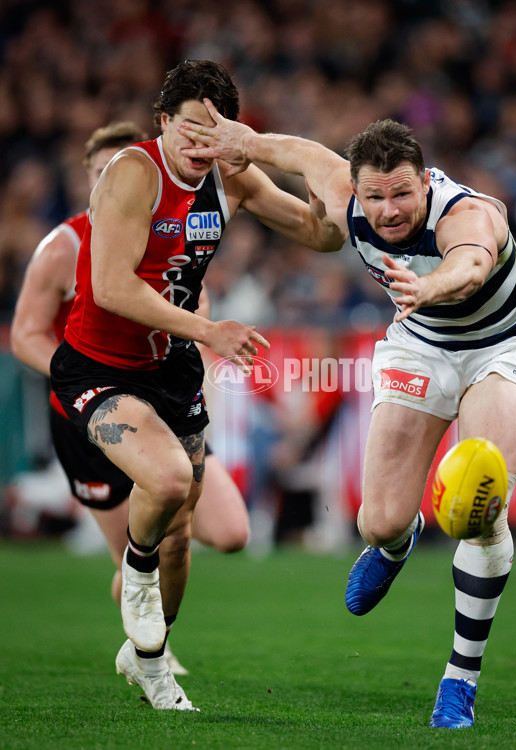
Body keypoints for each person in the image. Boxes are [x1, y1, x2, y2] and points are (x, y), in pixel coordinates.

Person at [178, 108, 516, 728]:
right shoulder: (344, 187)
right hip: (421, 345)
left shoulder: (468, 213)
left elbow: (473, 264)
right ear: (358, 187)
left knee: (482, 509)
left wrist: (429, 289)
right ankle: (395, 543)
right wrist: (245, 141)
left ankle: (460, 679)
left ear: (425, 182)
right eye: (375, 197)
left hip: (502, 346)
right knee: (376, 522)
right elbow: (299, 153)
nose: (390, 210)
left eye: (403, 193)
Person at [48, 60, 344, 712]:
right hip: (99, 364)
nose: (196, 143)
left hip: (172, 370)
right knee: (169, 482)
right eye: (187, 127)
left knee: (183, 534)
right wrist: (208, 331)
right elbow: (112, 288)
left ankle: (149, 644)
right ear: (163, 123)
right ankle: (143, 614)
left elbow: (318, 233)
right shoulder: (134, 171)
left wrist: (320, 180)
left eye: (211, 130)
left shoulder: (231, 175)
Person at [10, 120, 251, 677]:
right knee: (140, 547)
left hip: (160, 401)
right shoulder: (63, 246)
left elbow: (198, 304)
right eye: (103, 174)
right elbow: (25, 333)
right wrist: (91, 383)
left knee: (231, 533)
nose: (117, 183)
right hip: (87, 418)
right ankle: (151, 654)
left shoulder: (173, 234)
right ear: (89, 180)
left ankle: (146, 643)